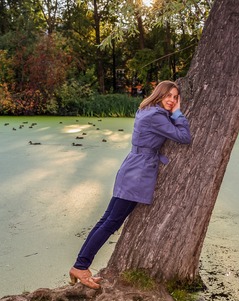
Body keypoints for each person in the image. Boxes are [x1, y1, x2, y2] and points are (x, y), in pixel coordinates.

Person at [69, 80, 191, 289]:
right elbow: (184, 137)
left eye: (175, 97)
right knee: (110, 222)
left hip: (132, 167)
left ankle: (80, 265)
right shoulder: (156, 116)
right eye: (168, 96)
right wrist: (178, 113)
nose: (171, 100)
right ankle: (80, 267)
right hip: (138, 173)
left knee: (107, 220)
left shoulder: (147, 110)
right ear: (159, 95)